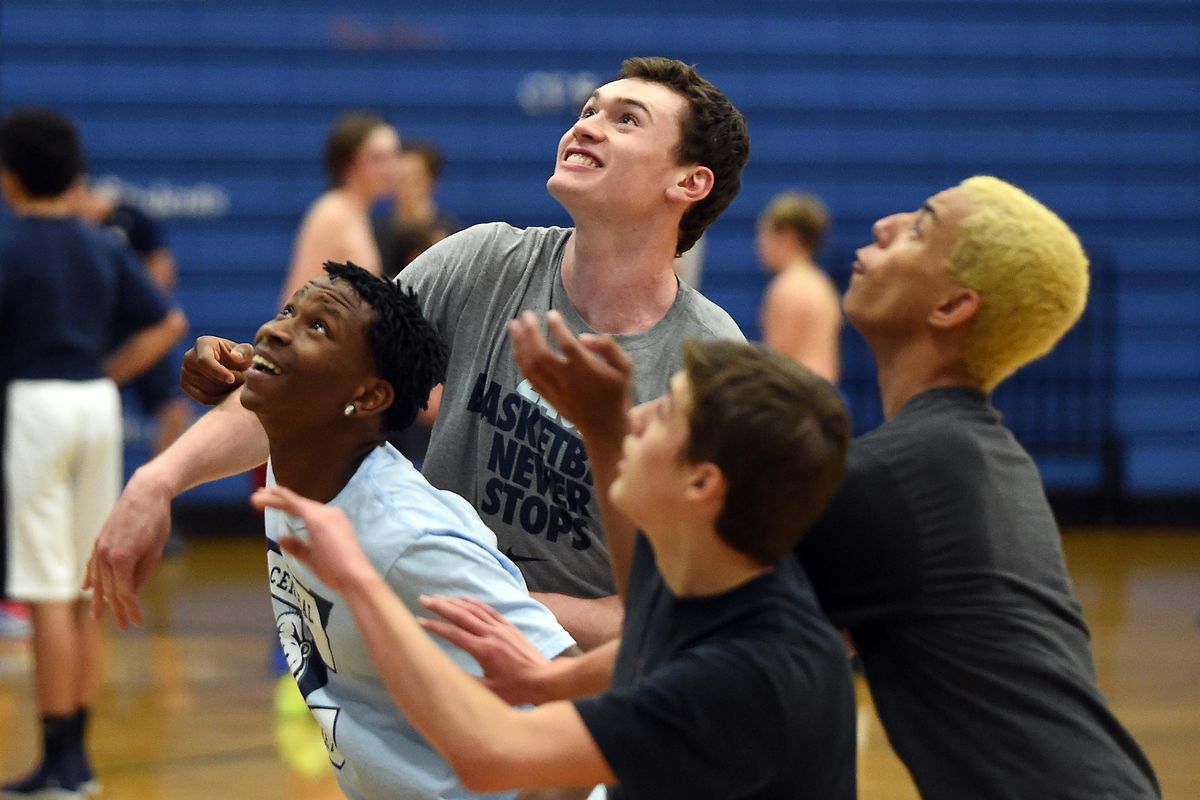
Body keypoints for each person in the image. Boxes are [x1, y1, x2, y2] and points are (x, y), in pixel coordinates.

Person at [88, 56, 751, 652]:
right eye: (586, 111)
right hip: (436, 666)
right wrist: (159, 480)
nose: (587, 126)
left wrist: (503, 608)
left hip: (587, 706)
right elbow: (316, 391)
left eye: (625, 120)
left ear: (689, 182)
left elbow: (685, 612)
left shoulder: (712, 361)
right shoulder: (483, 260)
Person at [253, 330, 856, 799]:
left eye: (664, 414)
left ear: (702, 483)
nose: (637, 419)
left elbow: (489, 752)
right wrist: (553, 681)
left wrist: (359, 580)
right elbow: (652, 623)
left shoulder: (741, 680)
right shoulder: (741, 589)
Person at [796, 176, 1161, 798]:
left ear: (951, 307)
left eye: (918, 228)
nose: (884, 223)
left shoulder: (898, 473)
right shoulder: (982, 458)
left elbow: (692, 640)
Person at [241, 261, 574, 798]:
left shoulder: (411, 538)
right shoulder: (300, 455)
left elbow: (579, 698)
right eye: (288, 312)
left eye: (318, 327)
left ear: (369, 398)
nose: (275, 330)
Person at [0, 108, 186, 799]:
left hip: (36, 412)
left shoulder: (11, 244)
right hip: (93, 408)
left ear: (10, 176)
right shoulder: (100, 243)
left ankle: (56, 764)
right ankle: (78, 759)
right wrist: (104, 374)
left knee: (46, 589)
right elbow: (168, 320)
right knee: (81, 585)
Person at [75, 179, 193, 457]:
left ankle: (155, 488)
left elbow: (164, 275)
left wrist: (135, 298)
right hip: (93, 334)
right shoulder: (66, 231)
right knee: (83, 413)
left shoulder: (128, 218)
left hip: (139, 333)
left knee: (174, 412)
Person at [276, 111, 401, 307]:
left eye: (394, 156)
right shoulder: (332, 214)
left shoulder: (357, 213)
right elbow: (296, 299)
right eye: (378, 159)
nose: (391, 168)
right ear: (348, 163)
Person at [755, 191, 841, 382]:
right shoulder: (821, 284)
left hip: (798, 396)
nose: (760, 245)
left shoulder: (787, 288)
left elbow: (777, 361)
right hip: (824, 392)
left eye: (766, 235)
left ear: (787, 237)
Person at [375, 139, 461, 280]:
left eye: (412, 178)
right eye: (399, 178)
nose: (404, 186)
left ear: (432, 181)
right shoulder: (373, 233)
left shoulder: (452, 237)